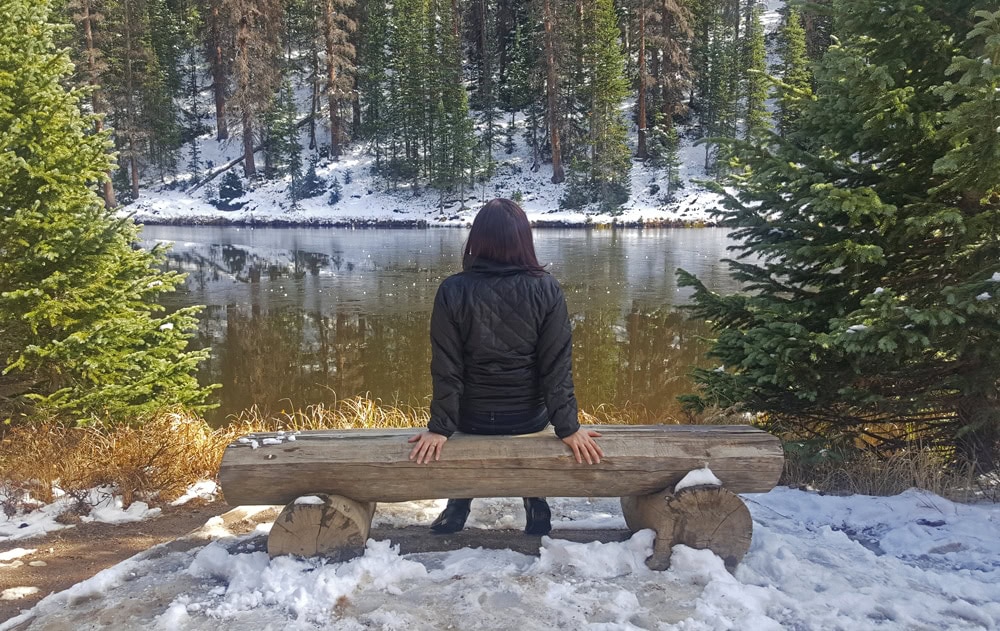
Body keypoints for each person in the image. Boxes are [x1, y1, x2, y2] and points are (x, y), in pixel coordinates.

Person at [408, 198, 603, 536]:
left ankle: (458, 505)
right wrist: (568, 427)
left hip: (471, 417)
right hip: (527, 417)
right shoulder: (546, 288)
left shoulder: (452, 290)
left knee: (470, 421)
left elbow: (446, 368)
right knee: (533, 412)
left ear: (476, 240)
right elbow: (556, 367)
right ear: (523, 240)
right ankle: (536, 501)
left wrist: (440, 427)